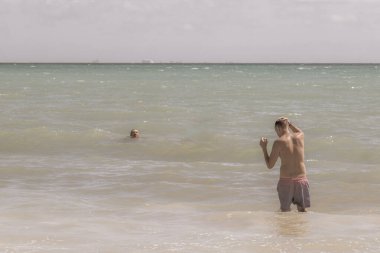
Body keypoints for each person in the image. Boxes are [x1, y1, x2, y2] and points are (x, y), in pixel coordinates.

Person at [259, 117, 310, 212]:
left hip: (286, 180)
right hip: (301, 179)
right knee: (302, 210)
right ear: (287, 126)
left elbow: (270, 165)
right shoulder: (300, 136)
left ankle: (287, 226)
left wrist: (264, 148)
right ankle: (302, 226)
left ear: (278, 128)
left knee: (285, 210)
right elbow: (299, 131)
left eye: (276, 131)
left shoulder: (278, 142)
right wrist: (290, 124)